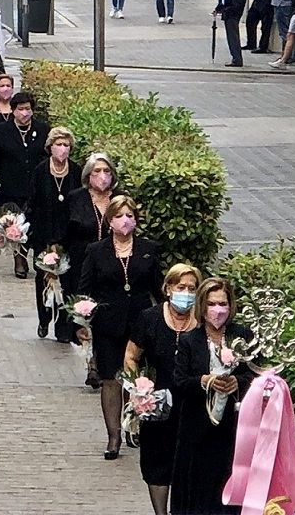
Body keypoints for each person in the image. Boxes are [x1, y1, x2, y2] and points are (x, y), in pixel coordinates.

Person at [78, 194, 164, 460]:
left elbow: (158, 288)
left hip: (140, 323)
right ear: (110, 220)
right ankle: (113, 436)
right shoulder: (96, 251)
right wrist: (80, 322)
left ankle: (133, 425)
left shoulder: (148, 248)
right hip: (108, 324)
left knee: (136, 376)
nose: (124, 221)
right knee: (110, 378)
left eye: (129, 215)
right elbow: (85, 289)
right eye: (118, 216)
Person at [123, 262, 203, 515]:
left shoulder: (202, 321)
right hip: (158, 404)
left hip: (193, 402)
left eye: (192, 288)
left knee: (190, 462)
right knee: (157, 462)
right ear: (168, 288)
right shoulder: (150, 318)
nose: (186, 293)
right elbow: (131, 355)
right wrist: (139, 386)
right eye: (181, 287)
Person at [170, 277, 254, 515]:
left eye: (223, 304)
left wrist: (237, 382)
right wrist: (205, 381)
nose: (218, 310)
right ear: (202, 306)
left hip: (233, 429)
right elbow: (180, 381)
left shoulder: (242, 336)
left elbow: (255, 373)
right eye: (212, 304)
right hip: (197, 431)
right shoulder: (190, 340)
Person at [64, 153, 119, 387]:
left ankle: (103, 361)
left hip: (112, 266)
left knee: (106, 314)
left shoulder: (119, 200)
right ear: (88, 175)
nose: (102, 176)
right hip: (82, 264)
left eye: (106, 171)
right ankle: (92, 364)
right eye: (97, 171)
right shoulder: (76, 198)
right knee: (86, 313)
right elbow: (66, 231)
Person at [0, 92, 49, 279]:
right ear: (13, 111)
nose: (24, 113)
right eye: (20, 109)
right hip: (10, 187)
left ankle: (35, 256)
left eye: (28, 109)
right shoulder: (1, 131)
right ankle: (19, 258)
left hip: (36, 187)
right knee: (15, 224)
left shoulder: (42, 129)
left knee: (34, 223)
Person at [27, 128, 83, 341]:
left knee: (67, 281)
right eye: (59, 144)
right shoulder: (40, 170)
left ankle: (63, 329)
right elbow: (33, 202)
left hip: (68, 234)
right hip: (44, 233)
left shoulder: (76, 171)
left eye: (66, 145)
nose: (63, 149)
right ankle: (44, 318)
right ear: (50, 147)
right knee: (44, 278)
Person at [213, 0, 247, 68]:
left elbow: (237, 3)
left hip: (232, 14)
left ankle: (237, 59)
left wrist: (225, 10)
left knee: (233, 37)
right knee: (231, 36)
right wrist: (218, 9)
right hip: (228, 13)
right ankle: (235, 57)